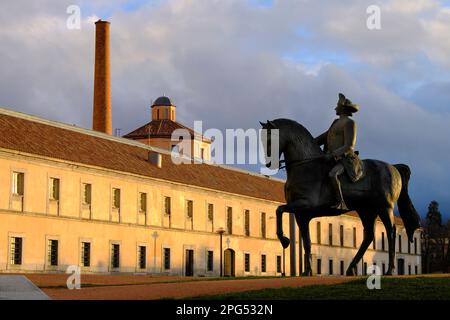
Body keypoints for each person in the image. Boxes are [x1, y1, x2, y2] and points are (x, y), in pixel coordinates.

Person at [314, 93, 363, 210]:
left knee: (332, 174)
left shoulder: (350, 123)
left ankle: (340, 202)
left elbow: (349, 145)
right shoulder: (335, 122)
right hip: (331, 157)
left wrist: (333, 154)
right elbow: (323, 137)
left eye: (337, 106)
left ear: (343, 108)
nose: (335, 108)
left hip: (345, 159)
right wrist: (307, 142)